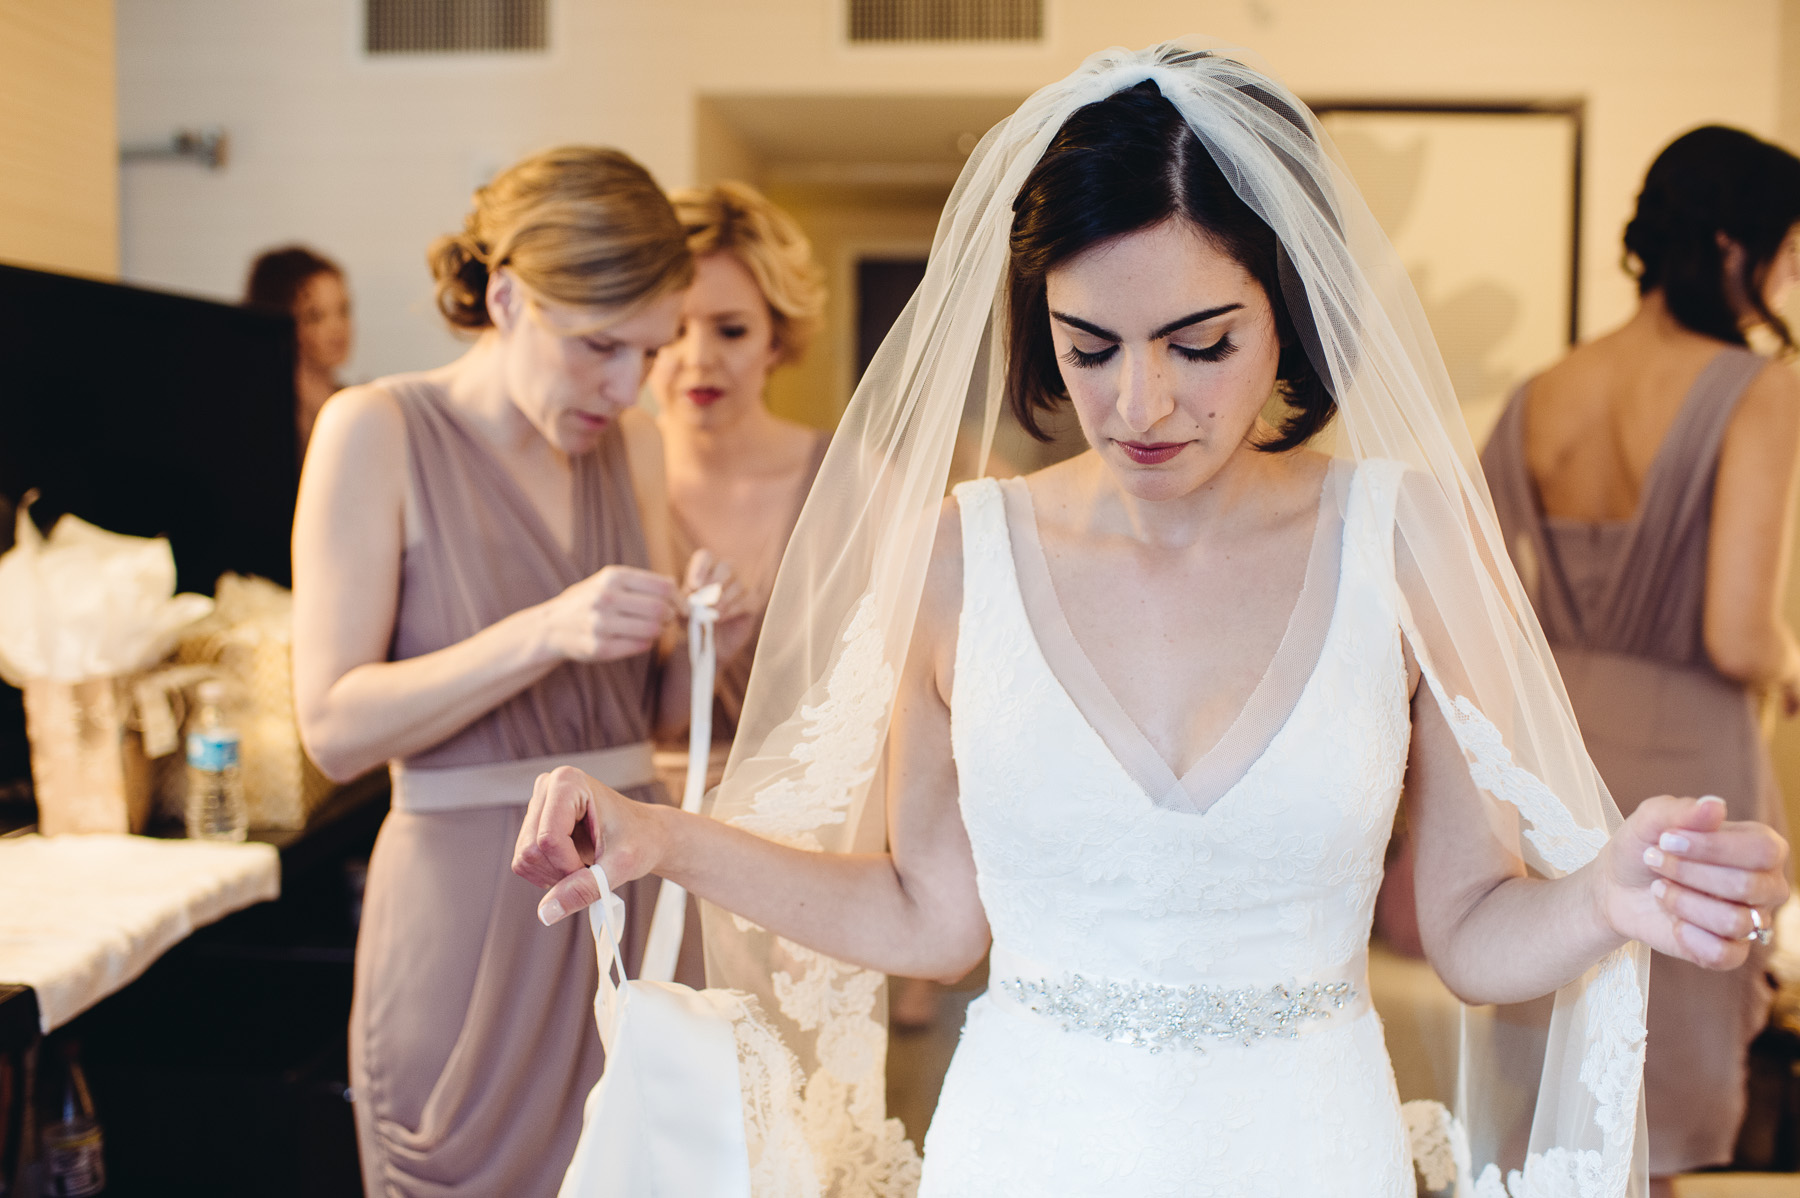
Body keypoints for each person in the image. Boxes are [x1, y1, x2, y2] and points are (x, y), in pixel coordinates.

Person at [513, 47, 1790, 1195]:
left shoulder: (1399, 539)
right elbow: (928, 916)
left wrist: (1605, 897)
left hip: (1308, 1155)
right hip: (1025, 1151)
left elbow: (1467, 928)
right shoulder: (967, 550)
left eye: (1200, 343)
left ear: (1284, 312)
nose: (1140, 404)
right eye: (1090, 345)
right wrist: (662, 838)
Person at [291, 146, 742, 1198]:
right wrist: (544, 630)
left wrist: (708, 631)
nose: (630, 385)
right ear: (505, 297)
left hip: (628, 898)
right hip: (467, 907)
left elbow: (658, 712)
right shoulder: (377, 430)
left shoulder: (629, 446)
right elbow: (332, 724)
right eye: (600, 346)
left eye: (650, 348)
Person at [1482, 125, 1800, 1191]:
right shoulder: (1758, 387)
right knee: (1657, 1110)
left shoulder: (1542, 393)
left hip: (1555, 764)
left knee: (1559, 1097)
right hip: (1689, 769)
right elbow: (1737, 631)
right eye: (1785, 257)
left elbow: (1479, 597)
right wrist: (1792, 665)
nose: (1786, 284)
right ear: (1729, 246)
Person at [649, 180, 830, 750]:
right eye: (674, 330)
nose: (698, 359)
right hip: (628, 816)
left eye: (731, 331)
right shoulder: (599, 480)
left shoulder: (851, 479)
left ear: (775, 340)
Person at [244, 244, 353, 452]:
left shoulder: (358, 403)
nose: (337, 327)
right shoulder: (264, 419)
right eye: (315, 316)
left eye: (343, 310)